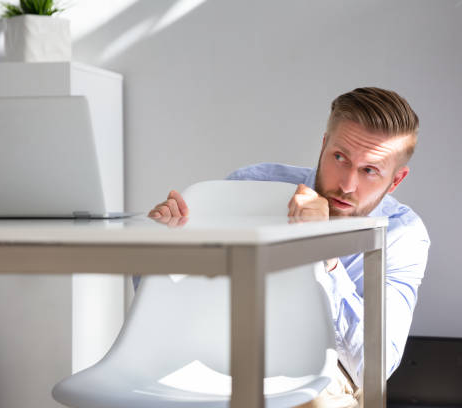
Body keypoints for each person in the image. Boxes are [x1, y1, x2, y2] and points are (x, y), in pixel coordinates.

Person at [148, 87, 430, 408]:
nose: (347, 184)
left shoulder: (402, 234)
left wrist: (325, 252)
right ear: (324, 145)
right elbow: (160, 311)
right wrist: (164, 247)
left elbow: (373, 367)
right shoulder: (251, 186)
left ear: (395, 180)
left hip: (324, 369)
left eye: (369, 171)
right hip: (223, 349)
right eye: (339, 158)